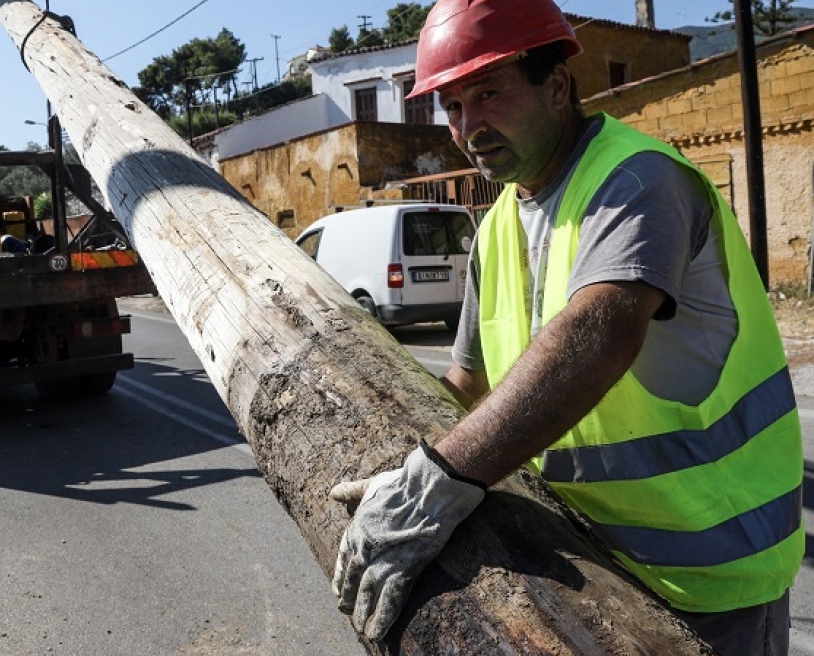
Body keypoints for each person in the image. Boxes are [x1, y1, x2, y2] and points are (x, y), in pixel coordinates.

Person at [329, 1, 802, 653]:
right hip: (588, 567)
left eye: (488, 93)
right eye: (454, 107)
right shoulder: (496, 227)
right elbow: (467, 381)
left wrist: (438, 481)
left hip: (712, 572)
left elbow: (598, 332)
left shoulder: (637, 179)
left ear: (556, 87)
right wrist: (398, 466)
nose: (470, 126)